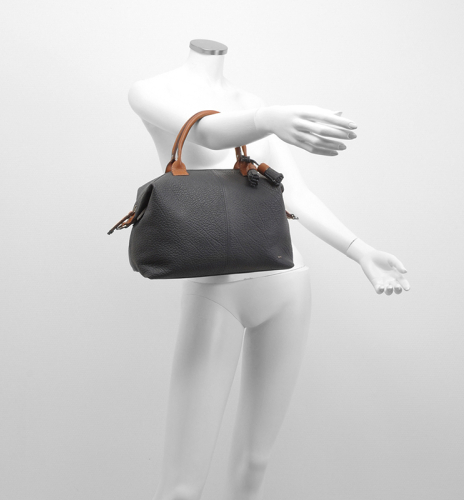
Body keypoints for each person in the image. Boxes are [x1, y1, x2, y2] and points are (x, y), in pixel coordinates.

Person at [127, 39, 410, 500]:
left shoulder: (252, 102)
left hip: (287, 284)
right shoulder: (150, 91)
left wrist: (360, 250)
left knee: (256, 461)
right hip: (214, 289)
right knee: (182, 484)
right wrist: (267, 119)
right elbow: (205, 132)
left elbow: (294, 193)